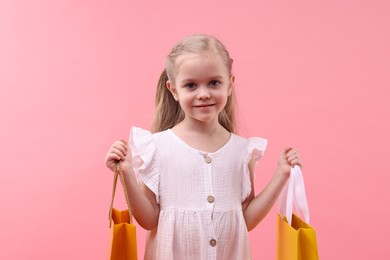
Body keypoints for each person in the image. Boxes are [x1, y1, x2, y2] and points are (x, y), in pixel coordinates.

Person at [105, 34, 303, 259]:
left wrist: (281, 175)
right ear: (174, 90)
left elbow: (245, 219)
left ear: (230, 84)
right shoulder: (158, 147)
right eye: (191, 85)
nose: (204, 94)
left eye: (214, 83)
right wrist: (127, 173)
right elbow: (149, 219)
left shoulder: (242, 151)